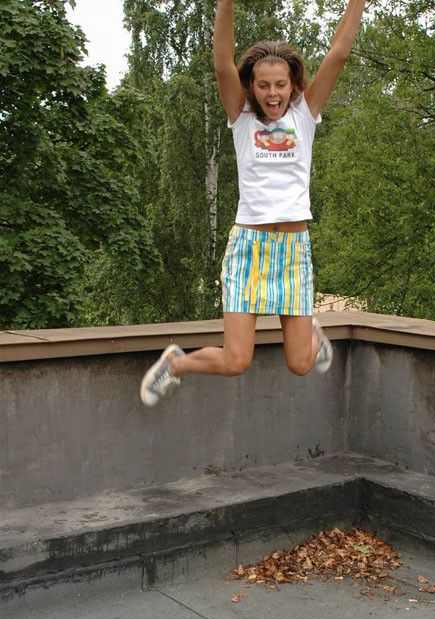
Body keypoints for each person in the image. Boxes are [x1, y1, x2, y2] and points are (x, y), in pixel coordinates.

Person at [141, 0, 368, 407]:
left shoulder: (305, 114)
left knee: (300, 363)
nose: (272, 93)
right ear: (252, 86)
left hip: (293, 252)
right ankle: (176, 364)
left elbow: (339, 52)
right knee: (235, 361)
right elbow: (222, 62)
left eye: (280, 84)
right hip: (249, 247)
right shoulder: (241, 117)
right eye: (263, 85)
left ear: (292, 83)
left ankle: (311, 335)